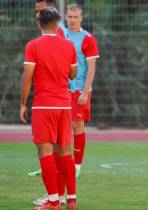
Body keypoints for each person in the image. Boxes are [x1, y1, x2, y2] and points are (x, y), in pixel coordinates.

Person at [20, 8, 78, 210]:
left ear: (39, 24)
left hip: (43, 105)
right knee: (66, 153)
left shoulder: (33, 45)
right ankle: (71, 200)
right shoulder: (69, 45)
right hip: (64, 104)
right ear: (57, 24)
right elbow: (73, 74)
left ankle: (53, 200)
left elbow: (27, 76)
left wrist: (22, 103)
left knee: (45, 154)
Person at [29, 0, 68, 178]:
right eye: (36, 11)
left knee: (55, 149)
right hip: (58, 96)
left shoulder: (55, 31)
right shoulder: (52, 30)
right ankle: (61, 195)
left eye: (40, 10)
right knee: (56, 148)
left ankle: (55, 195)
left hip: (55, 96)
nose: (37, 14)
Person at [65, 3, 99, 179]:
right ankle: (56, 162)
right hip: (61, 90)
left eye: (76, 17)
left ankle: (77, 165)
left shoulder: (87, 38)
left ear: (81, 18)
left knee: (77, 125)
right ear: (65, 17)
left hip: (79, 89)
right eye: (70, 17)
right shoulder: (59, 33)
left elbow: (91, 67)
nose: (73, 20)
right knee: (58, 127)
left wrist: (85, 91)